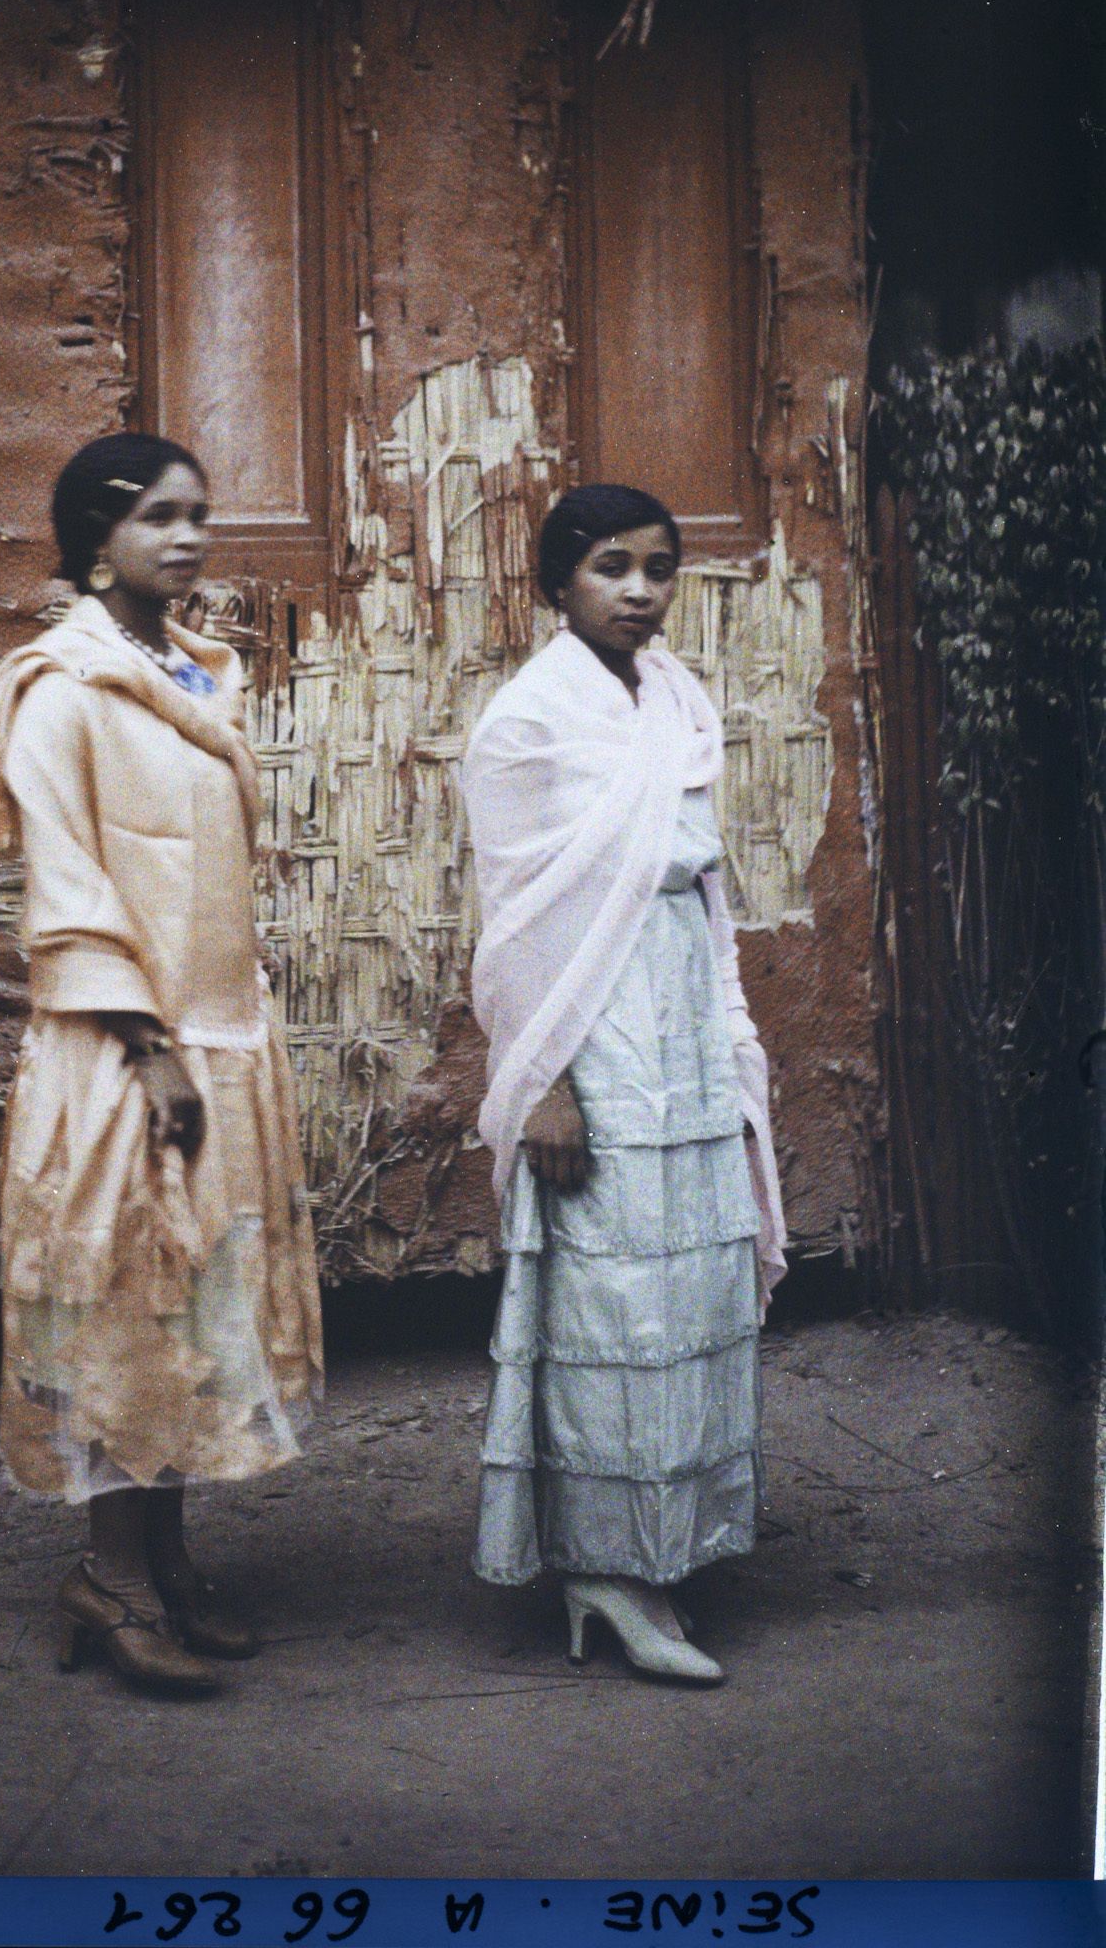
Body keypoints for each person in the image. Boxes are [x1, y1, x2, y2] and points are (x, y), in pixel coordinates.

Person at [0, 433, 323, 1696]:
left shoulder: (195, 676)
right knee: (122, 1306)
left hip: (214, 1038)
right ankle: (104, 1578)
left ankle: (160, 1564)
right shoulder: (58, 688)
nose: (188, 536)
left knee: (196, 1312)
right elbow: (69, 881)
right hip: (122, 1054)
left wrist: (212, 1040)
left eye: (197, 514)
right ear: (92, 536)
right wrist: (149, 1048)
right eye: (156, 516)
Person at [458, 483, 787, 1685]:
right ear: (556, 579)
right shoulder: (527, 721)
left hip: (681, 1011)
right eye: (610, 566)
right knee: (607, 1301)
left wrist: (726, 1031)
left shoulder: (677, 702)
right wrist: (541, 1077)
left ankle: (662, 1543)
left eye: (658, 568)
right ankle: (603, 1563)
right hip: (587, 1026)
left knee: (686, 1283)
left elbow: (696, 885)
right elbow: (518, 918)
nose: (640, 590)